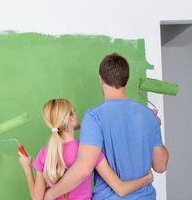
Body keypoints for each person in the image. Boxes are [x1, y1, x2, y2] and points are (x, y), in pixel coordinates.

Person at [44, 53, 169, 200]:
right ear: (126, 80)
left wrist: (51, 193)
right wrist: (154, 125)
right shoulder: (149, 116)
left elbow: (84, 168)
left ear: (101, 79)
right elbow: (160, 166)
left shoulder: (94, 117)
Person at [19, 99, 153, 200]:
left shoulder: (44, 154)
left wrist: (26, 167)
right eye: (74, 111)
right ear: (70, 118)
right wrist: (148, 178)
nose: (77, 115)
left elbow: (37, 198)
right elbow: (121, 189)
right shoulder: (89, 150)